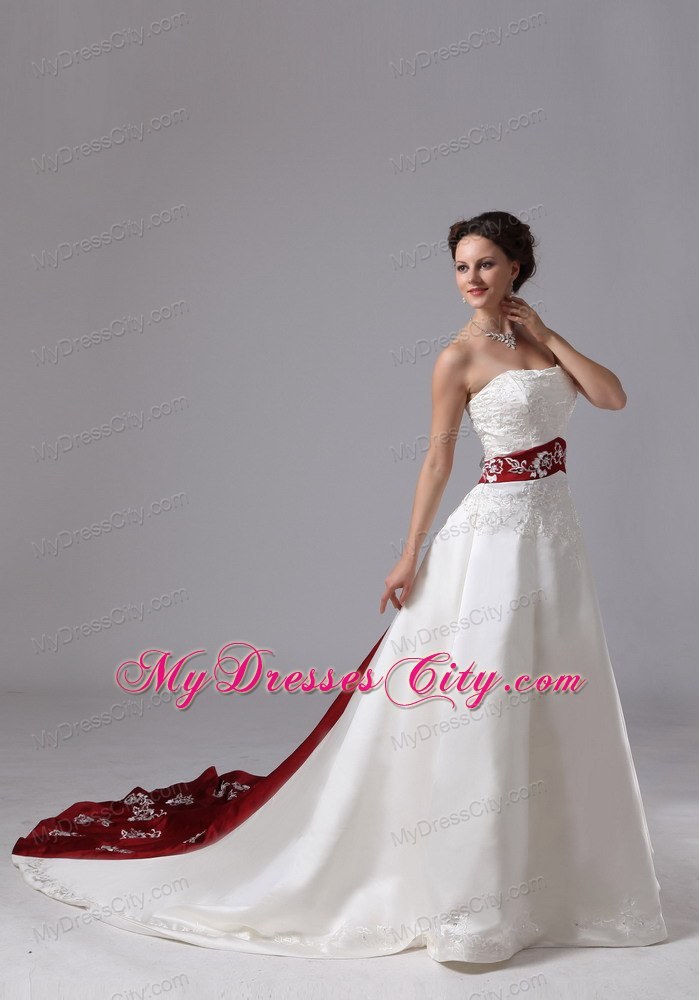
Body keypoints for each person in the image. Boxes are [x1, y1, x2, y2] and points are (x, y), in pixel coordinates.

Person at [11, 211, 667, 964]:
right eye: (461, 266)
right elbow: (436, 462)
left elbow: (612, 397)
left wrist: (548, 334)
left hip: (554, 538)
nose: (472, 278)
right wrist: (408, 555)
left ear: (515, 266)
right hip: (493, 541)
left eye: (486, 263)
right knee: (484, 699)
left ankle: (551, 881)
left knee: (550, 689)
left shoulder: (542, 343)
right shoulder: (455, 357)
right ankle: (471, 899)